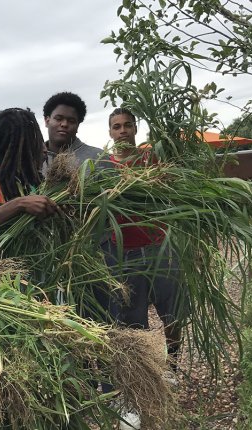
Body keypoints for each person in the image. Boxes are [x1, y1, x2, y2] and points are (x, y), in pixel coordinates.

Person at [105, 107, 186, 372]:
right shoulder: (105, 167)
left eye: (127, 125)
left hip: (159, 248)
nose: (123, 131)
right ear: (110, 132)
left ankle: (171, 367)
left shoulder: (152, 159)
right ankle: (145, 378)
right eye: (117, 127)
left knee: (174, 314)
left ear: (136, 129)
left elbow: (172, 192)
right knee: (132, 322)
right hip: (123, 254)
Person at [0, 107, 61, 225]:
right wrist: (19, 204)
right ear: (13, 147)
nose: (44, 149)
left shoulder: (35, 184)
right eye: (34, 142)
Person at [41, 91, 106, 173]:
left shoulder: (99, 158)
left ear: (78, 125)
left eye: (71, 121)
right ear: (47, 121)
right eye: (58, 119)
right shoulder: (31, 160)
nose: (64, 124)